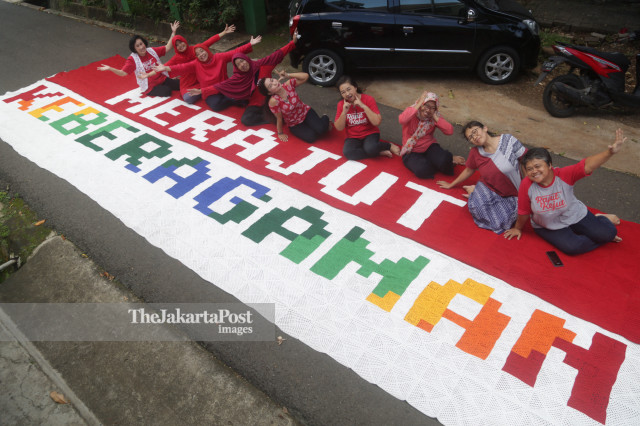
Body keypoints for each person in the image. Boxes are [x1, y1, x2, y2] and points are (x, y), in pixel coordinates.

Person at [503, 129, 625, 255]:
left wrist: (610, 152)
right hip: (548, 225)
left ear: (549, 165)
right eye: (529, 169)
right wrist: (517, 228)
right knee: (573, 247)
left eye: (538, 166)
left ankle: (601, 219)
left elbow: (587, 166)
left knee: (608, 233)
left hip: (574, 214)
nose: (534, 171)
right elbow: (523, 211)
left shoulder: (564, 175)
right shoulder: (526, 185)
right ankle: (599, 236)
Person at [437, 121, 527, 234]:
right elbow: (469, 170)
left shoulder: (508, 140)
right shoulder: (475, 153)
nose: (475, 137)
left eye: (475, 131)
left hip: (514, 194)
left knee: (503, 221)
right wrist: (451, 184)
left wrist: (527, 187)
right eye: (471, 137)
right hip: (491, 188)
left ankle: (474, 191)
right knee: (476, 208)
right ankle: (475, 192)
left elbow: (525, 160)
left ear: (485, 128)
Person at [204, 33, 299, 127]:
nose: (242, 65)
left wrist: (292, 43)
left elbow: (278, 54)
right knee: (246, 119)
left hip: (272, 100)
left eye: (242, 61)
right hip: (256, 103)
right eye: (238, 64)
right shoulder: (239, 77)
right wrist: (202, 91)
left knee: (285, 107)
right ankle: (273, 118)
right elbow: (220, 86)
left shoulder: (262, 65)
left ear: (246, 59)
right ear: (237, 68)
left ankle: (277, 115)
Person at [153, 35, 262, 110]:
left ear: (206, 50)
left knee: (240, 94)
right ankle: (231, 100)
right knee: (215, 105)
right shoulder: (196, 63)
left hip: (223, 86)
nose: (201, 54)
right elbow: (181, 67)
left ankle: (233, 98)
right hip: (209, 90)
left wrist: (250, 44)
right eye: (198, 54)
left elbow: (234, 52)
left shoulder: (219, 57)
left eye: (202, 51)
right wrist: (165, 68)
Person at [97, 21, 180, 97]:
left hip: (162, 79)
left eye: (141, 44)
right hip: (150, 86)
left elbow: (167, 47)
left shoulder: (151, 51)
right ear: (134, 49)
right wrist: (110, 68)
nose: (141, 47)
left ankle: (168, 83)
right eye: (137, 46)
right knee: (167, 91)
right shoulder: (133, 59)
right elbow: (122, 73)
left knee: (179, 84)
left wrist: (173, 32)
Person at [398, 90, 465, 178]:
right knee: (421, 170)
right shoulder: (412, 111)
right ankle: (439, 163)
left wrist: (435, 116)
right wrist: (419, 103)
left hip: (429, 147)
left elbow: (449, 131)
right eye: (426, 105)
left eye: (433, 108)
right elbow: (402, 120)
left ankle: (442, 161)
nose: (428, 110)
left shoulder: (434, 116)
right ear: (421, 103)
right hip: (410, 151)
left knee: (444, 159)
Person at [165, 24, 236, 104]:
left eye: (181, 42)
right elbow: (163, 67)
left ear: (184, 41)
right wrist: (151, 72)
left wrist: (224, 32)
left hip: (204, 79)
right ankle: (208, 91)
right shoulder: (176, 58)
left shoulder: (196, 49)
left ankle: (210, 91)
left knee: (216, 87)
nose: (180, 46)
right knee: (188, 98)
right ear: (175, 48)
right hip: (188, 83)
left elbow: (210, 41)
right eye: (177, 45)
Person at [334, 75, 399, 160]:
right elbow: (339, 128)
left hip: (370, 133)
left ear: (355, 87)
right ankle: (378, 152)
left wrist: (363, 106)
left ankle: (388, 146)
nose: (347, 94)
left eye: (349, 89)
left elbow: (377, 122)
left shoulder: (368, 99)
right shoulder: (341, 105)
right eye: (343, 92)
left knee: (371, 148)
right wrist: (344, 112)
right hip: (352, 136)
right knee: (348, 153)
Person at [257, 70, 330, 143]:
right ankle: (314, 125)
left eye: (272, 80)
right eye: (270, 86)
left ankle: (325, 117)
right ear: (269, 93)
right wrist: (280, 133)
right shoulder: (273, 101)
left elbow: (305, 76)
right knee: (311, 137)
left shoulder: (288, 84)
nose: (275, 83)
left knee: (321, 129)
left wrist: (287, 75)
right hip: (294, 123)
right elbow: (279, 118)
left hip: (305, 112)